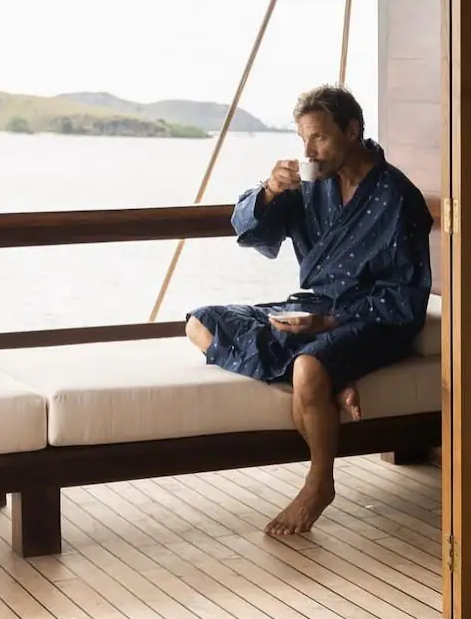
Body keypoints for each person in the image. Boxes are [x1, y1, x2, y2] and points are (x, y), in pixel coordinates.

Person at [185, 84, 433, 538]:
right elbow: (253, 234)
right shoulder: (313, 183)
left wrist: (334, 322)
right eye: (302, 138)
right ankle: (335, 381)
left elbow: (407, 297)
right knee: (200, 322)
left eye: (318, 137)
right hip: (313, 310)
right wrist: (269, 191)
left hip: (371, 319)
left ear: (353, 130)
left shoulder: (398, 197)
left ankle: (320, 481)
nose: (308, 149)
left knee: (307, 367)